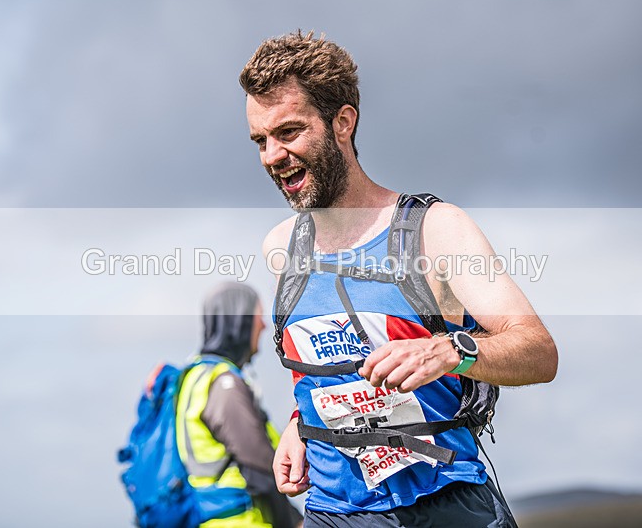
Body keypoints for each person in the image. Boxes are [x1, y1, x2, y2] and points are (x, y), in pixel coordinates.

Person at [239, 31, 558, 527]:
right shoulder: (281, 247)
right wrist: (301, 423)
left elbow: (538, 351)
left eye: (289, 132)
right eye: (261, 140)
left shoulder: (436, 229)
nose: (272, 156)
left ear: (343, 122)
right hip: (334, 511)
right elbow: (327, 362)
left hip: (444, 505)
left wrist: (451, 350)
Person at [177, 282, 303, 527]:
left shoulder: (194, 376)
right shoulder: (224, 384)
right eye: (258, 316)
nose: (265, 325)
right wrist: (294, 522)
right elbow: (262, 469)